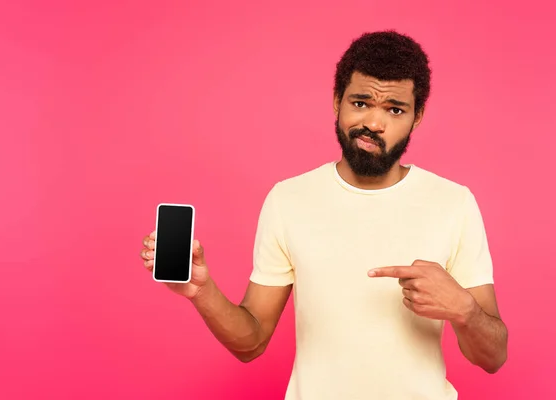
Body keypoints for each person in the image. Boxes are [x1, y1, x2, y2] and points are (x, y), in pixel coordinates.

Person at [140, 30, 508, 399]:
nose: (374, 123)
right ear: (337, 101)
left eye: (394, 109)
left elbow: (492, 357)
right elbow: (250, 342)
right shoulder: (288, 199)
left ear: (417, 117)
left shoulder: (453, 202)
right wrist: (201, 291)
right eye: (361, 103)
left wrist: (463, 309)